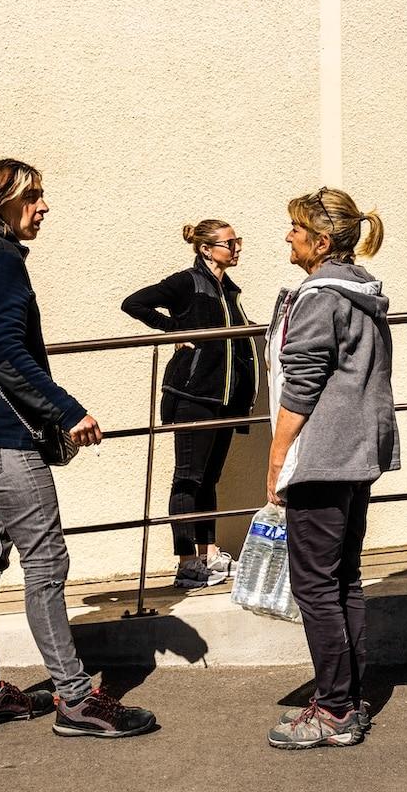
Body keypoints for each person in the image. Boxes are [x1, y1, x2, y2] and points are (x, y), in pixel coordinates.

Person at [0, 159, 156, 737]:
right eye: (32, 197)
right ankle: (76, 701)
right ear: (0, 202)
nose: (43, 207)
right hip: (1, 439)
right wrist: (69, 412)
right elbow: (4, 352)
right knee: (45, 563)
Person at [264, 187, 397, 750]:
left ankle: (335, 709)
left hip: (321, 457)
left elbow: (302, 383)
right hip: (356, 454)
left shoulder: (320, 297)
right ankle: (349, 697)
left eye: (296, 229)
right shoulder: (361, 291)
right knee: (343, 578)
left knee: (315, 585)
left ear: (321, 242)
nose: (288, 236)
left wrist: (276, 457)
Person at [122, 220, 259, 587]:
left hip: (224, 399)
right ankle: (187, 563)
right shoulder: (187, 283)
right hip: (193, 395)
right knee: (187, 478)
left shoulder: (228, 290)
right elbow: (133, 303)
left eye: (237, 241)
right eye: (229, 243)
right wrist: (175, 331)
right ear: (206, 249)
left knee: (209, 478)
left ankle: (208, 554)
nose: (236, 248)